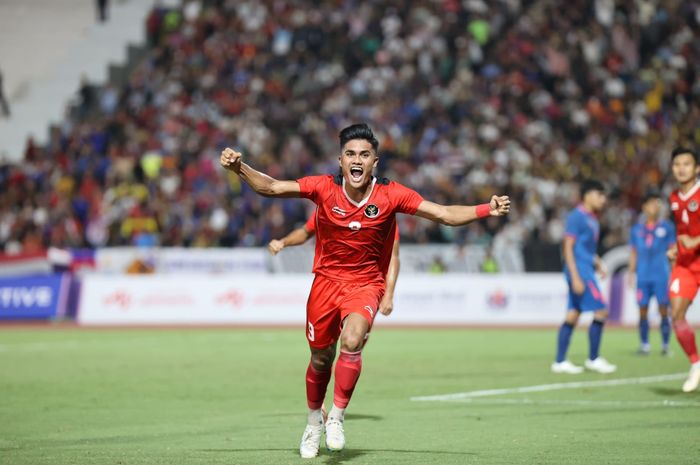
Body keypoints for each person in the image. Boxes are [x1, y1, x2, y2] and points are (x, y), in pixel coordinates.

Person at [220, 123, 510, 458]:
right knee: (319, 358)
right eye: (350, 154)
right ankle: (314, 420)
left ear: (375, 162)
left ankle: (337, 416)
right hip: (325, 285)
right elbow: (270, 187)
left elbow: (443, 214)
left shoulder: (391, 195)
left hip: (366, 284)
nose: (357, 160)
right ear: (341, 161)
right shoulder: (323, 188)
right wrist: (239, 167)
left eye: (364, 154)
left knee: (353, 339)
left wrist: (486, 209)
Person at [268, 213, 401, 317]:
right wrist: (283, 242)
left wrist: (389, 294)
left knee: (353, 339)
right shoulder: (329, 205)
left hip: (365, 285)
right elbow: (305, 231)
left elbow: (393, 256)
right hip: (329, 285)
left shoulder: (382, 212)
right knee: (322, 351)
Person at [552, 179, 617, 374]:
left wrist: (598, 262)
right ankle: (593, 359)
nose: (603, 199)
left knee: (573, 314)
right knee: (601, 311)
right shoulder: (577, 216)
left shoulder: (592, 219)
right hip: (579, 271)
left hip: (586, 268)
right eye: (600, 194)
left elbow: (585, 248)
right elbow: (568, 247)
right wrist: (575, 276)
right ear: (588, 195)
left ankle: (560, 361)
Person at [667, 147, 700, 392]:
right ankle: (696, 363)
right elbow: (682, 231)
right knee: (676, 313)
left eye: (686, 164)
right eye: (677, 164)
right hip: (685, 265)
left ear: (696, 168)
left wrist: (696, 240)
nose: (681, 168)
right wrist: (675, 247)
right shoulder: (674, 198)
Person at [627, 190, 675, 355]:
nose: (654, 206)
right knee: (642, 310)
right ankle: (644, 344)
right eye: (651, 203)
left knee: (664, 310)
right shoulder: (636, 230)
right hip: (643, 276)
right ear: (644, 207)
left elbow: (672, 251)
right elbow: (633, 253)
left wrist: (675, 272)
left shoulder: (667, 227)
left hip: (661, 275)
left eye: (657, 203)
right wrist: (630, 273)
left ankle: (665, 344)